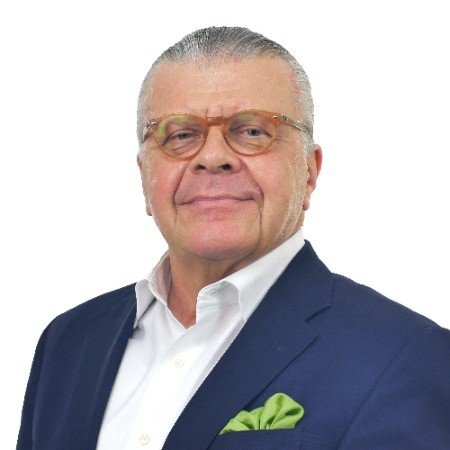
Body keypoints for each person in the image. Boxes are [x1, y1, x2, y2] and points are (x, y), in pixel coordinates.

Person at [17, 26, 450, 450]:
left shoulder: (405, 355)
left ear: (309, 172)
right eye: (181, 135)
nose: (212, 157)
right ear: (145, 176)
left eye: (252, 131)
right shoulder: (68, 342)